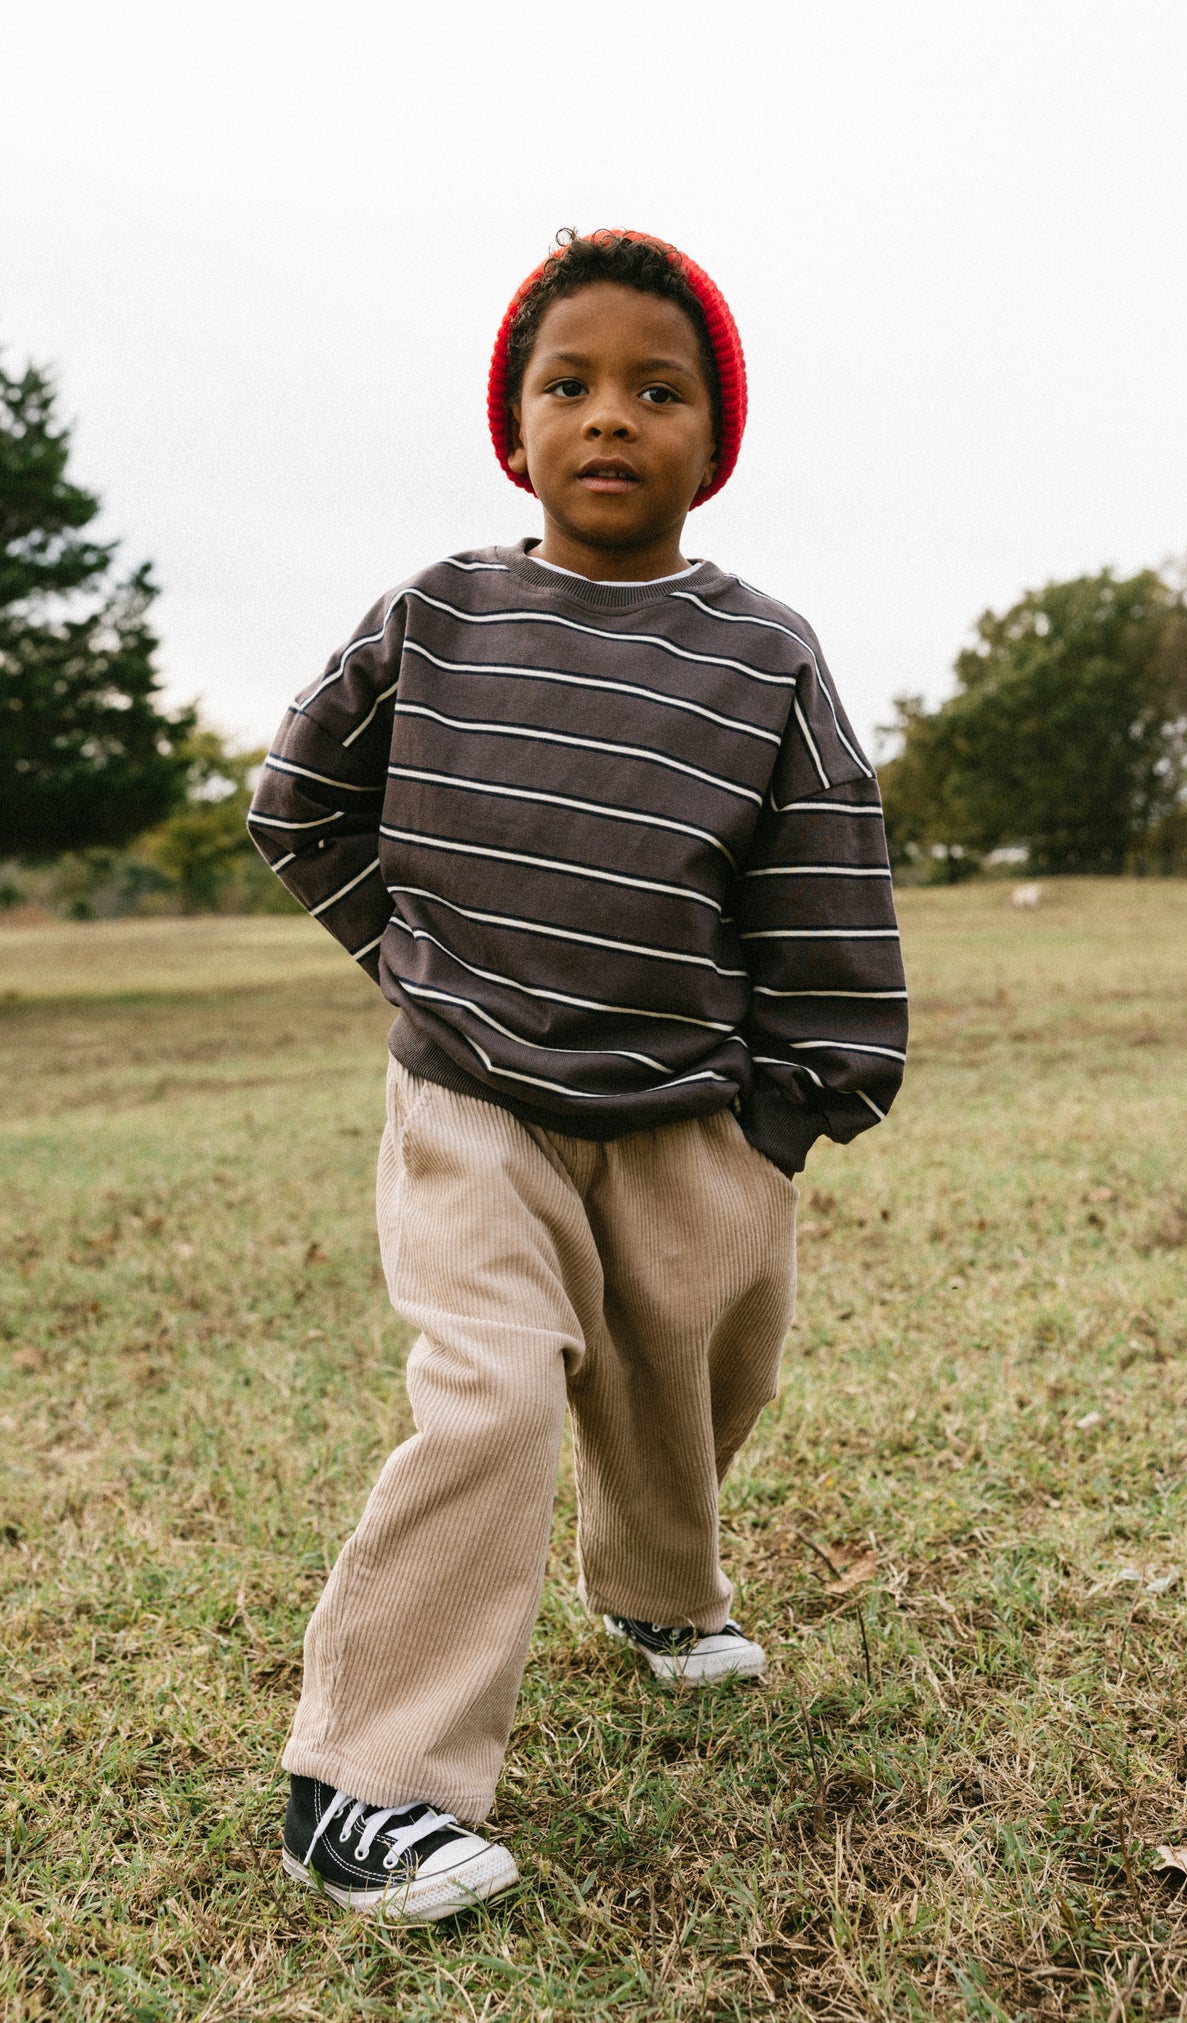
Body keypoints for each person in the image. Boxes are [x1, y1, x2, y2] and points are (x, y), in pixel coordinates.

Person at [248, 228, 908, 1922]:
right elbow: (298, 806)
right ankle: (365, 1782)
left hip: (691, 1111)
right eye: (570, 384)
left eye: (656, 390)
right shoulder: (440, 615)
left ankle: (656, 1592)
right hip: (473, 1098)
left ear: (715, 437)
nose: (610, 416)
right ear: (516, 426)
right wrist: (409, 964)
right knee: (495, 1394)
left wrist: (794, 1106)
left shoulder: (764, 655)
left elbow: (823, 876)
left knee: (687, 1384)